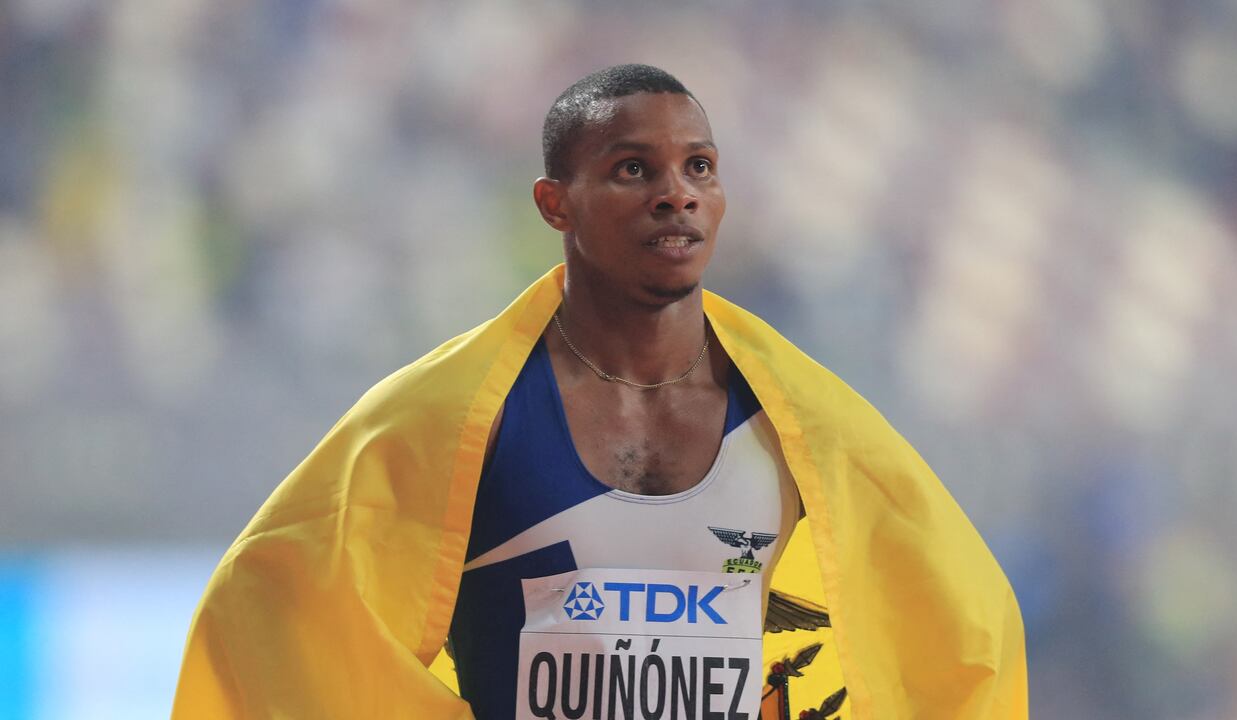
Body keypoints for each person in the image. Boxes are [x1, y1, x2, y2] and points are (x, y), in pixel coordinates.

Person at [173, 64, 1027, 719]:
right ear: (556, 203)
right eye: (631, 169)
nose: (676, 195)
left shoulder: (808, 427)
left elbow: (965, 636)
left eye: (700, 167)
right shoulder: (446, 420)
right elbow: (266, 610)